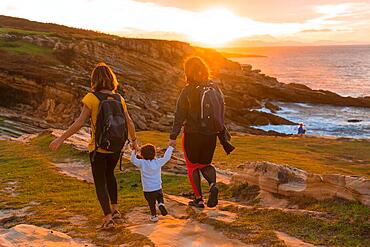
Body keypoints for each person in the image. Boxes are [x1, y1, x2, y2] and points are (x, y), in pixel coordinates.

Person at [49, 62, 138, 229]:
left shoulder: (91, 98)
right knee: (110, 175)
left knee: (99, 181)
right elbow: (130, 122)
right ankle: (115, 210)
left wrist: (60, 139)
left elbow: (79, 123)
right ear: (112, 79)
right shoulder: (119, 98)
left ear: (94, 79)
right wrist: (134, 142)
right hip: (116, 147)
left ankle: (107, 218)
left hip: (98, 148)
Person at [168, 56, 233, 208]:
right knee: (206, 164)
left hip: (192, 134)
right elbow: (220, 111)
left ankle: (198, 199)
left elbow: (179, 115)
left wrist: (173, 137)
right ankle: (212, 185)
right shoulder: (214, 87)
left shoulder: (188, 90)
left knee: (192, 167)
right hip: (211, 135)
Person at [130, 144, 174, 222]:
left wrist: (134, 151)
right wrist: (170, 147)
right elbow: (166, 158)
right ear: (154, 153)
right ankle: (161, 204)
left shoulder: (142, 163)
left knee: (151, 203)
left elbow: (133, 160)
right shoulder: (158, 162)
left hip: (147, 190)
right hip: (158, 188)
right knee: (160, 197)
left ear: (142, 154)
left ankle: (154, 216)